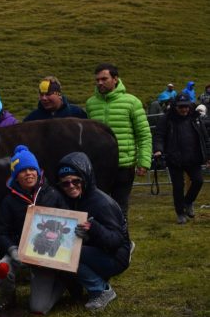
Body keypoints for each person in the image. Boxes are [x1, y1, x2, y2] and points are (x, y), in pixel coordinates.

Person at [0, 145, 68, 314]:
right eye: (22, 170)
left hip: (46, 255)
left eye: (31, 169)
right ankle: (8, 297)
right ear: (15, 176)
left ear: (38, 171)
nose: (28, 173)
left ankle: (62, 282)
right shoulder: (9, 201)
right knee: (3, 267)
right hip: (19, 251)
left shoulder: (53, 195)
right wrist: (12, 250)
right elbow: (0, 232)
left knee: (39, 308)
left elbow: (67, 223)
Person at [56, 152, 131, 311]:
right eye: (65, 183)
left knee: (68, 253)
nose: (70, 186)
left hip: (116, 255)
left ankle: (101, 291)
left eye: (75, 181)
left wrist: (94, 229)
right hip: (98, 249)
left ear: (85, 178)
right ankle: (81, 287)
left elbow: (116, 240)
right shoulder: (73, 200)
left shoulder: (102, 203)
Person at [85, 63, 152, 218]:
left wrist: (144, 161)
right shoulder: (90, 103)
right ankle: (104, 240)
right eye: (97, 80)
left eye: (104, 79)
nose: (100, 82)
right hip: (98, 165)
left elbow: (143, 134)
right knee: (99, 206)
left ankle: (122, 240)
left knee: (120, 207)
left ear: (115, 79)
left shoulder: (132, 102)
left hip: (124, 164)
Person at [152, 93, 210, 224]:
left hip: (193, 158)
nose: (184, 109)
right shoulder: (166, 119)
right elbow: (159, 136)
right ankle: (180, 212)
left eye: (186, 106)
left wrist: (207, 155)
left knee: (199, 181)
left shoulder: (195, 118)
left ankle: (188, 202)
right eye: (181, 107)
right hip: (174, 159)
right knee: (178, 187)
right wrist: (158, 150)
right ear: (175, 107)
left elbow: (204, 137)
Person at [23, 76, 87, 121]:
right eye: (41, 95)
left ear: (59, 95)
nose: (44, 98)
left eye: (48, 94)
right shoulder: (32, 118)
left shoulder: (76, 113)